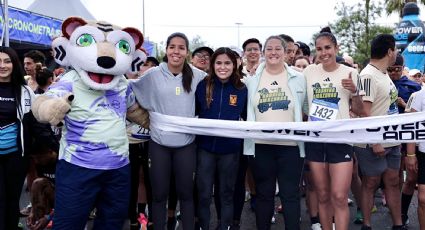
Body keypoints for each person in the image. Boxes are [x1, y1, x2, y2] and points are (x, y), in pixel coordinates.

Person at [130, 32, 206, 230]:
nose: (176, 51)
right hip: (159, 145)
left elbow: (220, 85)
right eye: (172, 47)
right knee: (159, 195)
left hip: (186, 145)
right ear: (167, 50)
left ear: (187, 52)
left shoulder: (198, 75)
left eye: (181, 47)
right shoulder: (153, 74)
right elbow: (130, 89)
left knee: (186, 194)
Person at [244, 35, 306, 230]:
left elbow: (306, 108)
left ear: (285, 52)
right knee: (264, 194)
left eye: (278, 49)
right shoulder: (252, 80)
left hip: (291, 147)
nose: (273, 52)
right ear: (263, 53)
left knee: (290, 195)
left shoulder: (298, 78)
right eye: (269, 49)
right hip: (261, 146)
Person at [303, 30, 364, 230]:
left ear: (336, 49)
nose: (324, 53)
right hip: (316, 140)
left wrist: (354, 92)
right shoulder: (309, 72)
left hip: (340, 140)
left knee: (339, 195)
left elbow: (359, 110)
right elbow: (303, 105)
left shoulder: (350, 73)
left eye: (328, 48)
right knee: (322, 194)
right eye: (319, 49)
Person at [0, 47, 58, 230]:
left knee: (12, 200)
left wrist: (57, 146)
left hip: (17, 157)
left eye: (7, 61)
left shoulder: (25, 91)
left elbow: (37, 125)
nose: (2, 66)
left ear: (14, 64)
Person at [354, 34, 404, 230]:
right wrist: (375, 141)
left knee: (392, 181)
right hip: (372, 142)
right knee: (370, 182)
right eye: (396, 50)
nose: (397, 53)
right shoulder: (367, 75)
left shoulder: (383, 73)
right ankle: (367, 225)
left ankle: (398, 225)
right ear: (389, 52)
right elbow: (365, 112)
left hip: (392, 140)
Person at [195, 47, 247, 230]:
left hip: (231, 151)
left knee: (226, 194)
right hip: (205, 149)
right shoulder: (202, 85)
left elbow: (249, 119)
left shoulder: (241, 89)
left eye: (227, 63)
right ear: (212, 64)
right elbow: (192, 113)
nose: (222, 67)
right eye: (218, 63)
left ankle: (224, 226)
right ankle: (203, 226)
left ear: (234, 65)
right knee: (203, 194)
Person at [405, 89, 425, 230]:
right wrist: (411, 155)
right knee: (423, 199)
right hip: (422, 151)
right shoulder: (418, 96)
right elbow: (411, 125)